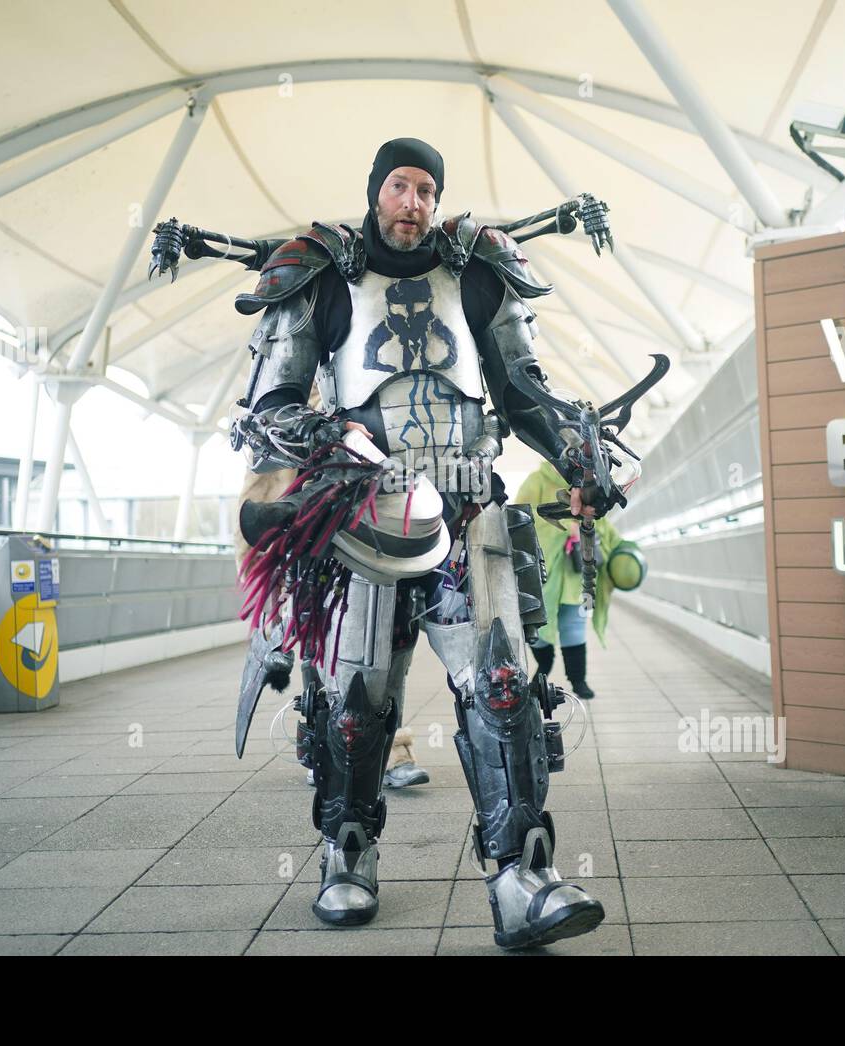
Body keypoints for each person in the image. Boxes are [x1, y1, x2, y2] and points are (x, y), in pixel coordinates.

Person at [229, 138, 626, 949]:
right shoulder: (319, 274)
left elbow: (522, 391)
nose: (413, 202)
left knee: (504, 684)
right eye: (400, 186)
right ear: (376, 192)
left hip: (468, 509)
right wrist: (331, 442)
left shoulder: (483, 270)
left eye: (427, 190)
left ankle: (522, 876)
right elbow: (268, 405)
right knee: (356, 703)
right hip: (361, 517)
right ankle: (347, 853)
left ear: (438, 201)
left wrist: (577, 453)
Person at [233, 458, 430, 788]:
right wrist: (267, 587)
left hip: (382, 525)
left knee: (389, 641)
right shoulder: (288, 411)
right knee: (321, 641)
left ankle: (388, 746)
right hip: (317, 535)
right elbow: (262, 489)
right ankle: (324, 746)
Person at [516, 459, 625, 700]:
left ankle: (578, 681)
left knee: (574, 626)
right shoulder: (537, 481)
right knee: (537, 626)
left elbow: (603, 522)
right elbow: (522, 519)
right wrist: (565, 528)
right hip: (545, 575)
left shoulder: (589, 484)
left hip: (577, 575)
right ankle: (544, 667)